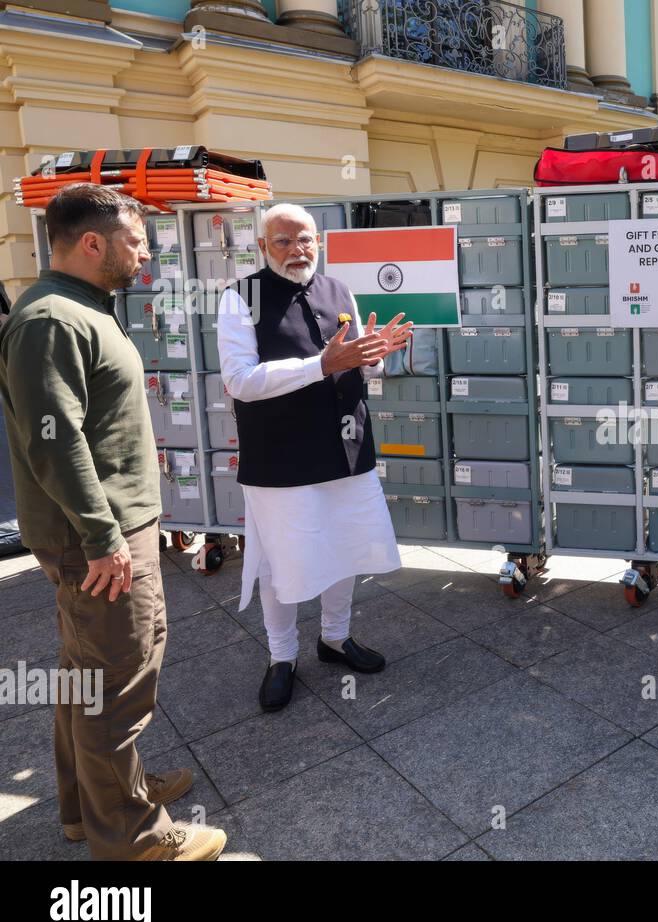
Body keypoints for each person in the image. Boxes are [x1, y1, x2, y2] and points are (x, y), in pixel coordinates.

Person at [0, 183, 224, 860]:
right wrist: (102, 539)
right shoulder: (53, 321)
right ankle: (131, 836)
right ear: (92, 243)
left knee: (84, 675)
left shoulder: (82, 307)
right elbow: (53, 439)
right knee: (115, 684)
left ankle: (89, 804)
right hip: (96, 540)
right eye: (136, 239)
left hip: (103, 532)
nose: (146, 253)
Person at [217, 203, 413, 712]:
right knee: (280, 561)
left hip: (345, 445)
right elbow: (239, 381)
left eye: (305, 240)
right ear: (262, 247)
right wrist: (321, 364)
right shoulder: (241, 298)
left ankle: (335, 638)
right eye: (283, 241)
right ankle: (281, 657)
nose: (297, 250)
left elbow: (355, 369)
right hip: (280, 454)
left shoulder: (337, 289)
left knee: (345, 544)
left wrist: (373, 360)